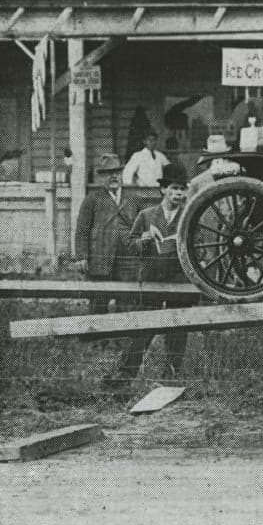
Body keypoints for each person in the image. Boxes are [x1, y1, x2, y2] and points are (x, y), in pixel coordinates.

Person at [106, 163, 191, 385]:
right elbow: (130, 244)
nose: (179, 193)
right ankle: (125, 375)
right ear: (163, 190)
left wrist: (183, 245)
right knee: (143, 327)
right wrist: (144, 239)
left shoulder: (190, 216)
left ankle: (171, 377)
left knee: (177, 329)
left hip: (178, 279)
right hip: (152, 276)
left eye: (182, 189)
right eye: (174, 188)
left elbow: (200, 244)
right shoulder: (146, 215)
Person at [73, 153, 139, 317]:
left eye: (117, 172)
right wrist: (82, 256)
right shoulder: (92, 200)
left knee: (126, 305)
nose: (114, 176)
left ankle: (122, 339)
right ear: (101, 176)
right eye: (109, 173)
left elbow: (140, 229)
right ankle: (97, 341)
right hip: (100, 260)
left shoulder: (132, 200)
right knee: (98, 304)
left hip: (126, 262)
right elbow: (82, 230)